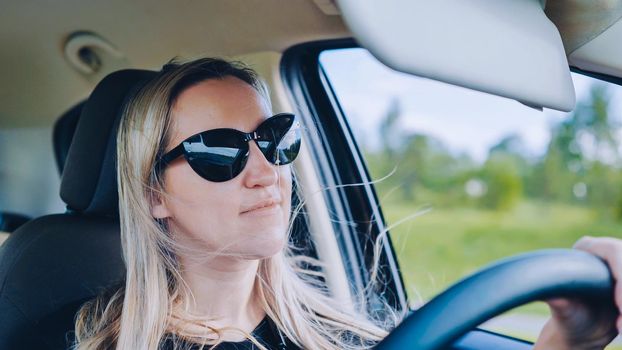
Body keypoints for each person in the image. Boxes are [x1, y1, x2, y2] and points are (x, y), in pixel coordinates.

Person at [73, 58, 622, 350]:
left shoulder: (341, 328)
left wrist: (565, 342)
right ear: (153, 196)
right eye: (220, 151)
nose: (269, 172)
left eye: (276, 138)